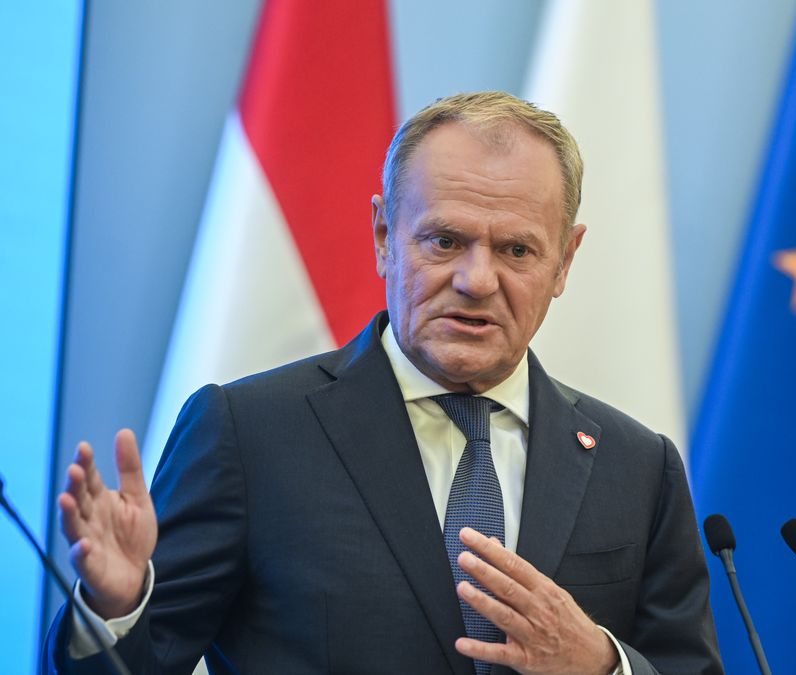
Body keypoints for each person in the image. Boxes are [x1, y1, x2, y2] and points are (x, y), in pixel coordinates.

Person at [43, 91, 721, 674]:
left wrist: (603, 664)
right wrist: (118, 606)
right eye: (445, 240)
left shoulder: (638, 466)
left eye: (517, 249)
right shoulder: (249, 436)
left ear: (565, 261)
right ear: (382, 236)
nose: (477, 280)